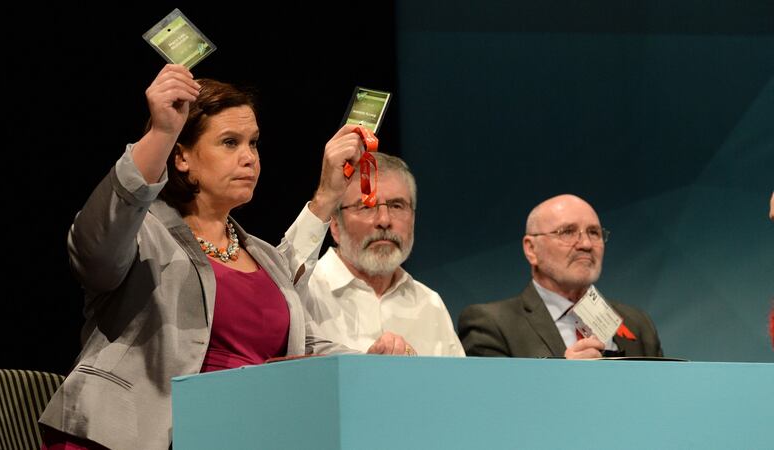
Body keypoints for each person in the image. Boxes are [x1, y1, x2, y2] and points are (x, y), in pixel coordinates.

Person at [39, 65, 412, 450]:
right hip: (128, 437)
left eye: (253, 143)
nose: (250, 157)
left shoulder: (261, 255)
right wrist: (161, 134)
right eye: (230, 142)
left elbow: (303, 346)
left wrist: (367, 362)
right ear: (181, 157)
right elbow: (93, 246)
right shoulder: (143, 234)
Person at [458, 194, 662, 359]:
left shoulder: (637, 323)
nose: (586, 244)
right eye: (567, 232)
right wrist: (563, 379)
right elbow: (491, 403)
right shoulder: (491, 325)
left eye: (594, 232)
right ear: (531, 249)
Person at [303, 152, 464, 356]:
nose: (384, 220)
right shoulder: (306, 292)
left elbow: (457, 387)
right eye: (366, 207)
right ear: (335, 224)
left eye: (397, 206)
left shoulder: (430, 304)